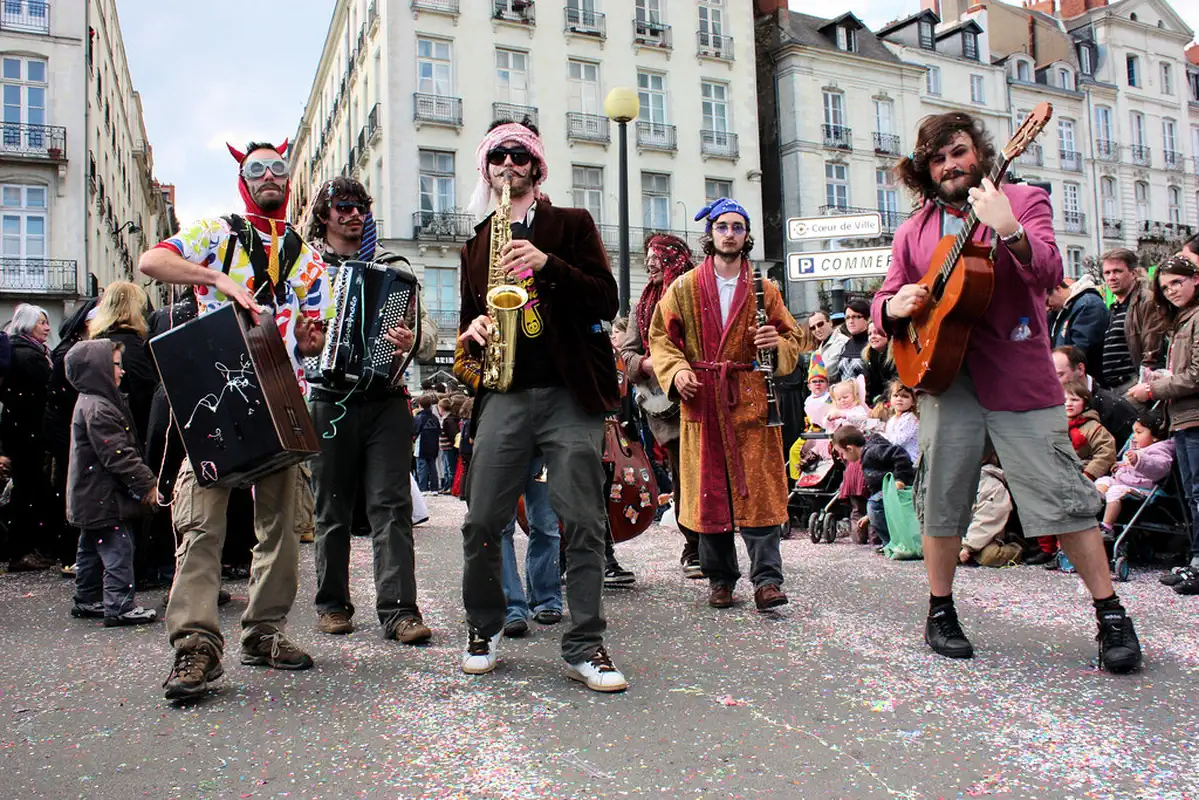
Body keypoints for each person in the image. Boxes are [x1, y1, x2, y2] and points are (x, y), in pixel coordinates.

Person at [874, 111, 1142, 673]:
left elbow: (1047, 272)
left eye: (959, 151)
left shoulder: (1022, 198)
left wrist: (1008, 228)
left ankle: (1110, 612)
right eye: (939, 158)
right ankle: (940, 610)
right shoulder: (914, 228)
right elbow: (891, 292)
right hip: (946, 380)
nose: (951, 164)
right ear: (927, 169)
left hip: (1018, 372)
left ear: (982, 152)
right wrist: (890, 307)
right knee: (944, 498)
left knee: (1062, 495)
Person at [139, 138, 335, 700]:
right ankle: (195, 647)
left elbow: (312, 338)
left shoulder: (307, 253)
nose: (268, 176)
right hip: (217, 399)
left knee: (281, 528)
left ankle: (264, 632)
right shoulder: (217, 232)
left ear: (288, 180)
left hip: (282, 400)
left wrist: (310, 338)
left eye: (277, 168)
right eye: (257, 170)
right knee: (202, 525)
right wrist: (216, 280)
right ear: (243, 181)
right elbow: (153, 260)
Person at [453, 117, 626, 692]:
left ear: (535, 167)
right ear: (487, 168)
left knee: (581, 519)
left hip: (568, 393)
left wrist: (547, 265)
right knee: (481, 518)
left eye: (519, 157)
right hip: (503, 392)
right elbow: (464, 329)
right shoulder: (476, 245)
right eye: (497, 158)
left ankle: (585, 644)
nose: (509, 166)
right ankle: (485, 626)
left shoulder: (570, 225)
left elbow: (607, 296)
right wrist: (473, 330)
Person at [648, 197, 803, 611]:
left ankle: (767, 580)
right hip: (703, 397)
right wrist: (676, 371)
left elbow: (793, 338)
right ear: (710, 234)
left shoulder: (765, 288)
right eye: (723, 227)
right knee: (708, 492)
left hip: (751, 397)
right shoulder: (683, 287)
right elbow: (661, 337)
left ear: (747, 235)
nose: (730, 234)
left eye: (738, 227)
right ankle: (720, 579)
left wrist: (777, 343)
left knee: (761, 491)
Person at [303, 175, 437, 644]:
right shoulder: (307, 266)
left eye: (360, 206)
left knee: (391, 506)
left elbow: (428, 339)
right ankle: (332, 603)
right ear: (325, 214)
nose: (353, 214)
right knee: (331, 507)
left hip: (384, 399)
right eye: (342, 206)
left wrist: (410, 340)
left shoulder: (393, 267)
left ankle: (399, 611)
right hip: (327, 397)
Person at [620, 232, 702, 578]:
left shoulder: (697, 294)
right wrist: (648, 365)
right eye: (648, 260)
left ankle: (715, 544)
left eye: (657, 259)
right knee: (684, 476)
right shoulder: (643, 304)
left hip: (702, 396)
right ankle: (694, 546)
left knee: (708, 475)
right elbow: (627, 355)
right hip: (666, 408)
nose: (650, 265)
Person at [64, 340, 158, 627]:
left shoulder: (90, 402)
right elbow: (119, 456)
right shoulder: (101, 409)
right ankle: (119, 604)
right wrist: (147, 485)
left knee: (91, 546)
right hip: (104, 496)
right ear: (100, 370)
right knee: (119, 548)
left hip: (89, 494)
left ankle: (87, 597)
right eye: (116, 365)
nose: (122, 371)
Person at [1127, 255, 1199, 595]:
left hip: (1194, 416)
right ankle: (1195, 561)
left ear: (1195, 279)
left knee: (1198, 493)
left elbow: (1196, 375)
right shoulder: (1182, 321)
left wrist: (1153, 388)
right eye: (1166, 285)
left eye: (1177, 282)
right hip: (1182, 417)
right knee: (1190, 493)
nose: (1171, 290)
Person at [43, 299, 99, 574]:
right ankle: (70, 553)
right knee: (73, 487)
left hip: (66, 427)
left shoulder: (71, 348)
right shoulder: (70, 352)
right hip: (65, 429)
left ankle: (72, 553)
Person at [1, 304, 54, 572]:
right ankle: (20, 552)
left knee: (27, 491)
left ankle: (22, 550)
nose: (47, 327)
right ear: (27, 326)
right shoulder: (30, 356)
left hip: (21, 431)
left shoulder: (23, 352)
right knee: (28, 493)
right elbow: (47, 391)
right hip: (26, 434)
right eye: (41, 323)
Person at [500, 457, 563, 638]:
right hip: (502, 441)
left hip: (542, 444)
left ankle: (545, 599)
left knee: (546, 526)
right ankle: (510, 606)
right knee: (500, 528)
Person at [88, 281, 157, 443]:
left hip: (100, 432)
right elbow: (146, 396)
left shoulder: (95, 343)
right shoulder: (132, 347)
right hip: (127, 436)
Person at [1094, 409, 1174, 541]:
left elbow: (1159, 468)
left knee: (1115, 490)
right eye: (1133, 432)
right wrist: (1119, 466)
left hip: (1144, 489)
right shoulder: (1136, 448)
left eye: (1139, 432)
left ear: (1155, 436)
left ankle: (1107, 527)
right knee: (1103, 480)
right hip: (1125, 482)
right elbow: (1128, 466)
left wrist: (1139, 460)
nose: (1134, 436)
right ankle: (1098, 501)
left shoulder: (1160, 450)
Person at [830, 425, 915, 549]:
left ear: (850, 449)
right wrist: (869, 516)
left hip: (900, 487)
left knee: (873, 503)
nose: (842, 457)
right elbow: (876, 492)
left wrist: (900, 479)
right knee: (874, 503)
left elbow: (899, 454)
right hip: (887, 491)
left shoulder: (872, 451)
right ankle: (892, 543)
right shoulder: (867, 455)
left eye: (842, 453)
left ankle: (891, 544)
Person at [1100, 248, 1166, 395]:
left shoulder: (1146, 301)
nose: (1111, 277)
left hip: (1133, 384)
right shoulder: (1115, 307)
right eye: (1107, 273)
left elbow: (1152, 347)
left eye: (1117, 271)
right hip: (1115, 386)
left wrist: (1144, 382)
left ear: (1133, 273)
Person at [1052, 346, 1137, 445]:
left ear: (1080, 369)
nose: (1053, 382)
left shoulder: (1113, 407)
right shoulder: (1049, 405)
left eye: (1059, 375)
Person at [1048, 275, 1108, 380]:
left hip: (1083, 381)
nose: (1047, 307)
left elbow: (1081, 349)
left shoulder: (1087, 305)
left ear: (1057, 288)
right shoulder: (1061, 312)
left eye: (1047, 301)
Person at [834, 299, 871, 382]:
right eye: (847, 318)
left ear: (867, 318)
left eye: (855, 317)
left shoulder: (873, 344)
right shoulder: (846, 345)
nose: (850, 321)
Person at [862, 322, 898, 406]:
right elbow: (868, 388)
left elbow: (894, 384)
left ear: (888, 334)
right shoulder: (868, 356)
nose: (872, 337)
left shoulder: (897, 356)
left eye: (877, 332)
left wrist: (878, 402)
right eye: (869, 334)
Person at [808, 310, 849, 383]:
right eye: (813, 328)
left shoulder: (843, 342)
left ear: (830, 322)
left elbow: (828, 374)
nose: (817, 329)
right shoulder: (818, 350)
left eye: (820, 324)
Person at [412, 394, 441, 492]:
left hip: (422, 446)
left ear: (419, 405)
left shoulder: (418, 418)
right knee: (433, 467)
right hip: (434, 445)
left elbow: (414, 431)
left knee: (422, 467)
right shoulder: (435, 418)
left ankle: (423, 488)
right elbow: (439, 431)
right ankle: (434, 488)